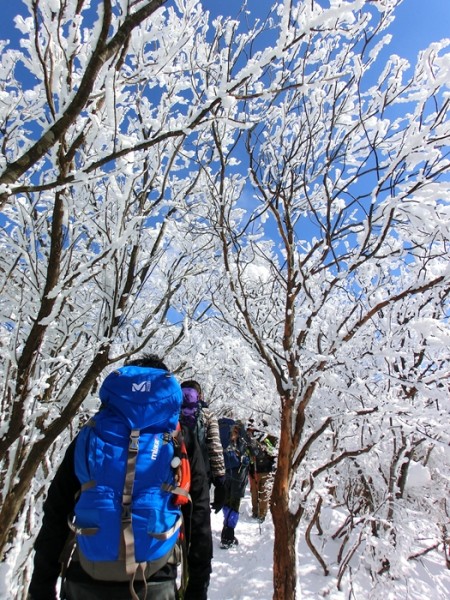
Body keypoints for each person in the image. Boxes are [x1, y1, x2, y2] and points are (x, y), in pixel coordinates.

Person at [28, 354, 212, 600]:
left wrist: (41, 585)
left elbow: (56, 510)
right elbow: (197, 515)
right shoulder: (180, 437)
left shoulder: (92, 431)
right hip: (154, 578)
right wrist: (197, 587)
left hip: (86, 576)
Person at [180, 380, 226, 513]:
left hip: (176, 473)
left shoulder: (172, 413)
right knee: (198, 518)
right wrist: (220, 481)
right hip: (200, 474)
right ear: (200, 396)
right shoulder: (207, 415)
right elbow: (215, 448)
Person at [218, 417, 252, 549]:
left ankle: (226, 531)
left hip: (224, 472)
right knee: (234, 503)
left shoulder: (222, 435)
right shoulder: (240, 436)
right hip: (238, 475)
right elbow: (252, 449)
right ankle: (228, 536)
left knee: (227, 502)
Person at [247, 420, 277, 522]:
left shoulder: (262, 438)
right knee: (259, 492)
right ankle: (259, 513)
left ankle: (259, 513)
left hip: (262, 469)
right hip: (260, 470)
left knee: (260, 492)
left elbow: (273, 452)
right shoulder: (267, 438)